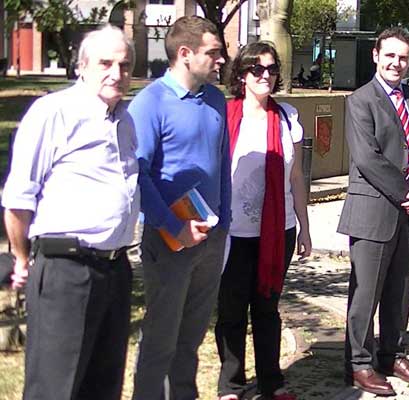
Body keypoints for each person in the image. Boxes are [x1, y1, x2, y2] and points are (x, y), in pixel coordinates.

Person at [2, 25, 139, 400]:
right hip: (66, 270)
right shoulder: (53, 112)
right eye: (106, 63)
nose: (117, 73)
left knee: (103, 385)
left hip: (115, 269)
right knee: (56, 387)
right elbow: (18, 197)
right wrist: (21, 260)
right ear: (82, 66)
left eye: (125, 65)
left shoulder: (125, 121)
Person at [129, 16, 230, 399]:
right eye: (213, 52)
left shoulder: (216, 99)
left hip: (211, 240)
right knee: (161, 341)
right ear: (185, 54)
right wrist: (173, 227)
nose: (221, 60)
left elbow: (221, 168)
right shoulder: (150, 103)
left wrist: (225, 228)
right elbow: (139, 175)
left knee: (190, 341)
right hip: (168, 242)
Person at [337, 27, 409, 396]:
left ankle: (391, 353)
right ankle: (358, 364)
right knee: (365, 296)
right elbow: (367, 158)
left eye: (403, 57)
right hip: (374, 211)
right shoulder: (360, 100)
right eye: (390, 55)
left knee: (400, 291)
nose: (397, 63)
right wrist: (405, 192)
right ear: (376, 55)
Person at [214, 41, 312, 400]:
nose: (266, 75)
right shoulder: (224, 116)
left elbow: (297, 176)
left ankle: (272, 382)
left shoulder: (288, 117)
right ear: (241, 75)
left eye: (271, 69)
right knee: (232, 310)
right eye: (257, 69)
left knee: (268, 308)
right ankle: (231, 385)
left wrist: (304, 227)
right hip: (233, 233)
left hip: (278, 231)